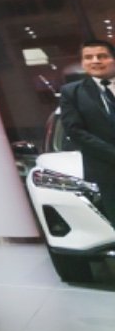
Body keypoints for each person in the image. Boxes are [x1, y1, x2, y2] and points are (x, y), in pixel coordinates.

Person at [60, 38, 115, 222]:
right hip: (108, 172)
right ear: (83, 63)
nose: (95, 61)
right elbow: (75, 131)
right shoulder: (72, 92)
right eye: (88, 57)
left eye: (102, 56)